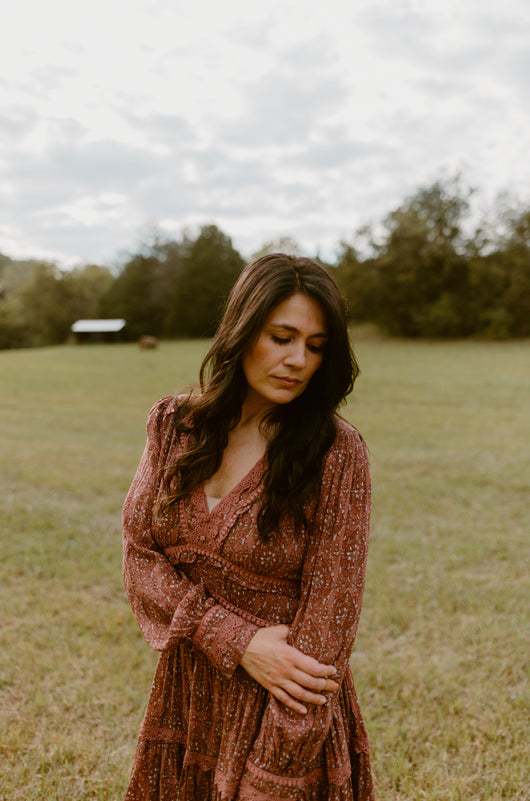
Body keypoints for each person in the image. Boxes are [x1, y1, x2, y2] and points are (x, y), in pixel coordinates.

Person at [122, 253, 374, 801]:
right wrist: (237, 640)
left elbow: (326, 633)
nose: (297, 360)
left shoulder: (336, 452)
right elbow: (140, 560)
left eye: (315, 345)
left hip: (282, 716)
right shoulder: (174, 424)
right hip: (185, 699)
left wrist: (275, 774)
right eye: (281, 337)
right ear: (243, 330)